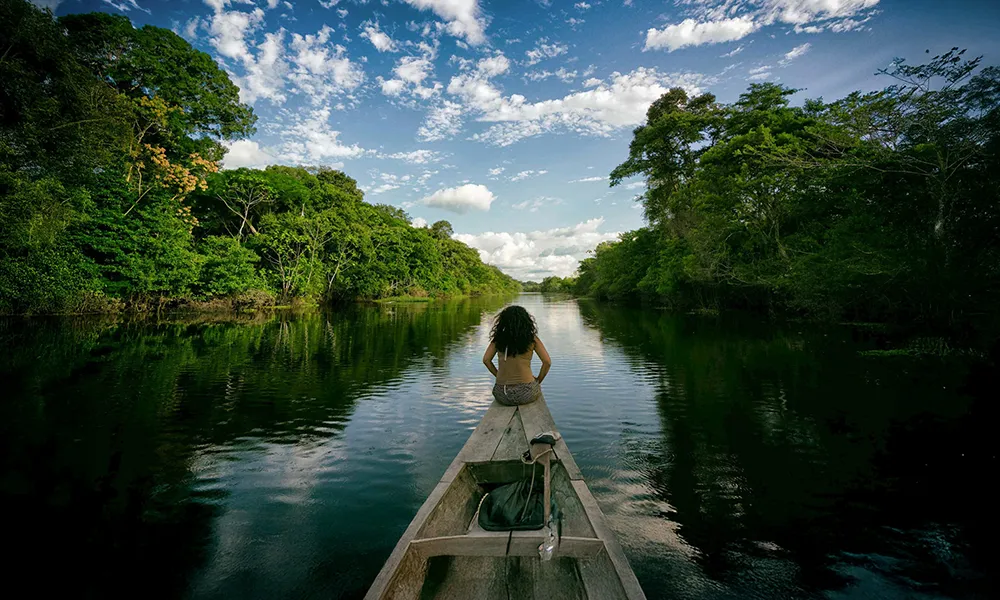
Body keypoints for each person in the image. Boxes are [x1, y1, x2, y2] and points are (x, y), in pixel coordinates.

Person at [482, 305, 551, 406]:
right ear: (526, 321)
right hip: (526, 393)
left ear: (503, 321)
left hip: (502, 393)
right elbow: (547, 362)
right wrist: (538, 380)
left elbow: (486, 360)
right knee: (536, 389)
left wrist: (498, 375)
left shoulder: (498, 339)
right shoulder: (532, 339)